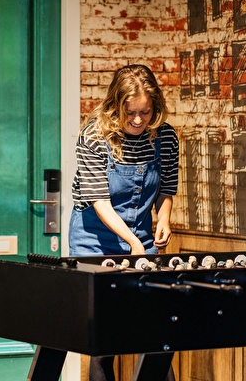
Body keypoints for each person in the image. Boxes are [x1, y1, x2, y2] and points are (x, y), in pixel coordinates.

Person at [68, 64, 179, 381]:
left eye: (145, 112)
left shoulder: (165, 136)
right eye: (130, 112)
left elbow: (166, 188)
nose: (138, 120)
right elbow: (100, 202)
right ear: (115, 105)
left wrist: (164, 218)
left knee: (155, 332)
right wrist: (132, 244)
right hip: (94, 241)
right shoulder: (93, 137)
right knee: (106, 338)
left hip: (142, 240)